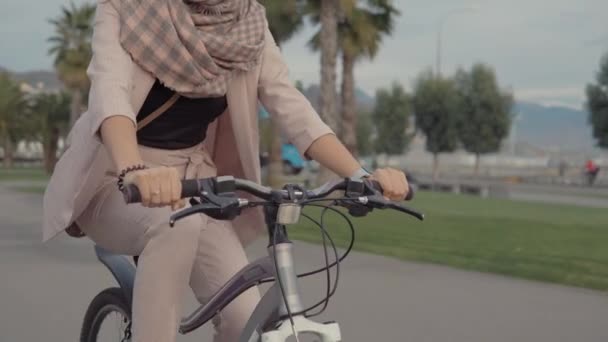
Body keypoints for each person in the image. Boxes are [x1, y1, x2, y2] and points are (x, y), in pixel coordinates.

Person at [42, 1, 410, 341]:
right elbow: (111, 94)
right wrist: (134, 169)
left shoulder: (247, 23)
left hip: (198, 181)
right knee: (173, 224)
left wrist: (361, 175)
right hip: (118, 177)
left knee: (244, 319)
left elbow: (291, 107)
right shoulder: (128, 8)